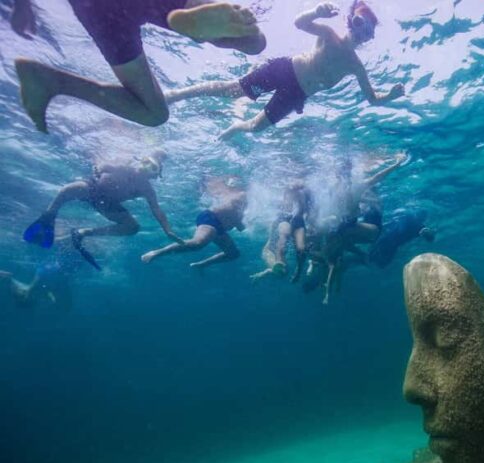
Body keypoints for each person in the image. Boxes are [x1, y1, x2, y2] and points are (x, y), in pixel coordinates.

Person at [14, 0, 266, 133]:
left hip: (93, 8)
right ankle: (201, 27)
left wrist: (22, 4)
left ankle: (50, 80)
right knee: (254, 42)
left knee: (154, 113)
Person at [165, 1, 405, 140]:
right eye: (360, 23)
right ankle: (176, 95)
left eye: (368, 31)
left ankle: (233, 128)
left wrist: (390, 96)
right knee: (233, 90)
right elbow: (300, 23)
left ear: (369, 38)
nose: (361, 33)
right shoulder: (329, 35)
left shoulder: (356, 66)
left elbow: (372, 98)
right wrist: (317, 12)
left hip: (296, 95)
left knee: (255, 128)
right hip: (284, 70)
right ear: (350, 20)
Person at [23, 151, 180, 270]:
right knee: (68, 189)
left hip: (109, 205)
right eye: (145, 162)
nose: (145, 168)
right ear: (140, 160)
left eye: (152, 167)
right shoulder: (124, 168)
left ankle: (83, 232)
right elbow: (101, 165)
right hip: (93, 189)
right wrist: (98, 168)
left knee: (133, 227)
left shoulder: (147, 189)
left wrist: (168, 230)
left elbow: (156, 208)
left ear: (155, 175)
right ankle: (47, 219)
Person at [141, 175, 246, 269]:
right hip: (211, 218)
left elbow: (236, 218)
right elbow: (235, 215)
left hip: (220, 229)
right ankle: (156, 253)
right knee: (198, 243)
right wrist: (239, 224)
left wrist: (239, 224)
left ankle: (201, 265)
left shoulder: (241, 199)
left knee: (233, 254)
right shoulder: (241, 194)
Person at [251, 179, 313, 283]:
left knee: (301, 248)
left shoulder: (306, 192)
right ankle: (279, 262)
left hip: (298, 221)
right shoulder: (288, 189)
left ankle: (298, 270)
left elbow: (308, 211)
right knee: (284, 235)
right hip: (284, 218)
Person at [369, 207, 435, 268]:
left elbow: (429, 237)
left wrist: (427, 232)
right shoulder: (414, 221)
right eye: (423, 216)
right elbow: (429, 238)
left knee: (380, 259)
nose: (422, 218)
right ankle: (370, 261)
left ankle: (370, 260)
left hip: (390, 240)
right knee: (381, 260)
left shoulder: (416, 223)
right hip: (391, 241)